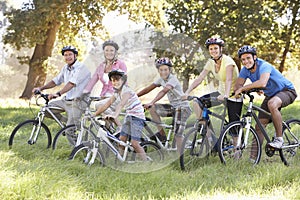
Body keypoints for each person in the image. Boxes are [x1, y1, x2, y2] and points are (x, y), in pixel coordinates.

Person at [234, 45, 297, 149]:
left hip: (287, 91)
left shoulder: (264, 65)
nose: (246, 61)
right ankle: (253, 159)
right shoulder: (245, 70)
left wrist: (243, 88)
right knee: (259, 127)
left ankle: (279, 139)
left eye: (248, 58)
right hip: (271, 95)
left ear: (254, 57)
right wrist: (239, 89)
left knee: (272, 104)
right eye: (243, 60)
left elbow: (262, 83)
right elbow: (238, 85)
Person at [137, 57, 192, 152]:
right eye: (161, 70)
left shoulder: (172, 79)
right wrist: (134, 96)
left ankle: (180, 157)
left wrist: (151, 102)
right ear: (158, 70)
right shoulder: (160, 80)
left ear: (170, 70)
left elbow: (164, 91)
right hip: (173, 108)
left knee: (178, 135)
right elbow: (148, 89)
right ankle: (162, 135)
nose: (163, 72)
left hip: (183, 108)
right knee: (153, 108)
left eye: (166, 70)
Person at [183, 37, 243, 124]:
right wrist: (187, 92)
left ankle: (236, 137)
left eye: (215, 48)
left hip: (233, 96)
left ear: (220, 49)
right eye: (211, 49)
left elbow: (229, 79)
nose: (213, 51)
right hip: (220, 94)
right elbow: (200, 78)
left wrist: (226, 95)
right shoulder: (211, 62)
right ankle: (207, 133)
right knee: (197, 102)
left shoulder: (228, 61)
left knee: (234, 129)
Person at [93, 69, 147, 160]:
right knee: (121, 141)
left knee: (135, 143)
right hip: (129, 116)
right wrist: (94, 115)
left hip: (137, 117)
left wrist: (115, 115)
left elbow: (121, 104)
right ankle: (120, 161)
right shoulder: (116, 93)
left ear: (123, 80)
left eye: (117, 79)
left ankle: (146, 163)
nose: (115, 82)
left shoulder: (127, 91)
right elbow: (107, 104)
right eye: (113, 80)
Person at [32, 46, 91, 127]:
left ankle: (72, 127)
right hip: (66, 100)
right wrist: (40, 88)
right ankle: (68, 122)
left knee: (69, 132)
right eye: (66, 55)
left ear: (75, 55)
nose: (68, 57)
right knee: (46, 110)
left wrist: (58, 94)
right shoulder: (66, 68)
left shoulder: (81, 68)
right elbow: (55, 81)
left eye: (70, 54)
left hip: (78, 102)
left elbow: (71, 84)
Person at [83, 40, 127, 128]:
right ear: (103, 52)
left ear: (115, 52)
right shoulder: (101, 66)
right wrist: (84, 93)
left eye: (111, 50)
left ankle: (120, 127)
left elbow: (124, 81)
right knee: (106, 124)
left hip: (117, 96)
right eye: (106, 50)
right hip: (104, 97)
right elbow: (92, 81)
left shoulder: (120, 64)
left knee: (99, 105)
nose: (109, 52)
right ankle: (112, 139)